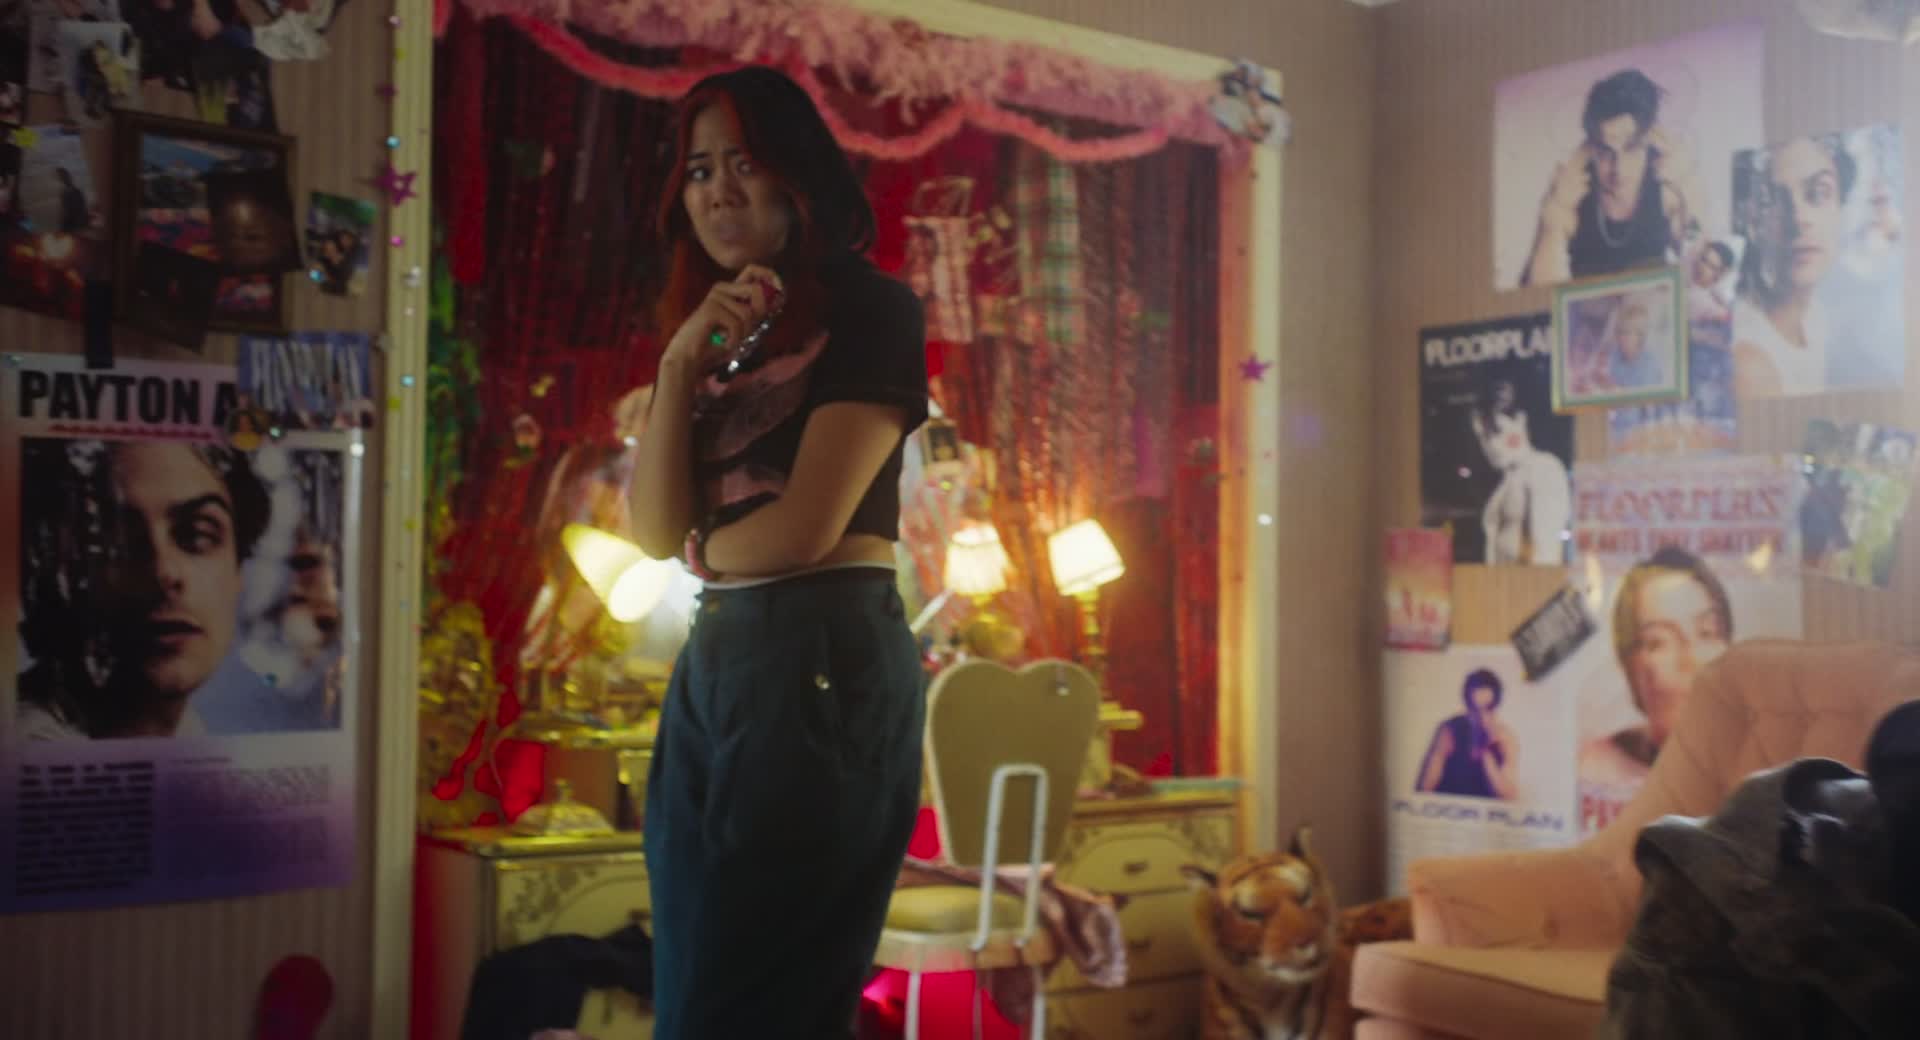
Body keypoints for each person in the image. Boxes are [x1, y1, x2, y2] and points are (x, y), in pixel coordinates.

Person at [626, 65, 929, 1039]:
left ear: (797, 176)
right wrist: (679, 362)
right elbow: (650, 529)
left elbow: (804, 529)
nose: (718, 191)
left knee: (762, 1004)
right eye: (699, 169)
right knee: (691, 997)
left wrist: (699, 550)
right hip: (719, 654)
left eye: (743, 164)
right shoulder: (717, 334)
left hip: (819, 651)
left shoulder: (873, 309)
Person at [14, 440, 312, 739]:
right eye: (119, 541)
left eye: (197, 535)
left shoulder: (187, 734)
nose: (163, 572)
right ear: (62, 567)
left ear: (238, 568)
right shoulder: (26, 740)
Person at [1521, 68, 1701, 287]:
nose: (1619, 171)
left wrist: (1687, 188)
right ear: (1591, 147)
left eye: (1631, 149)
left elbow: (1702, 273)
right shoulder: (1571, 187)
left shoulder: (1667, 183)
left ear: (1650, 140)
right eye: (1606, 152)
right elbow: (1538, 291)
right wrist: (1557, 214)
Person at [1579, 547, 1733, 790]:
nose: (1692, 659)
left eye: (1707, 632)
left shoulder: (1763, 763)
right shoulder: (1594, 768)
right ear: (1629, 667)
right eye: (1658, 642)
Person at [1730, 135, 1851, 398]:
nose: (1799, 219)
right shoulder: (1750, 364)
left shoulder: (1816, 316)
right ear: (1752, 224)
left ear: (1841, 208)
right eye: (1774, 200)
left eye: (1818, 193)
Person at [1471, 380, 1570, 565]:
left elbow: (1545, 550)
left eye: (1497, 432)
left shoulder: (1543, 468)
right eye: (1484, 437)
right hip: (1501, 578)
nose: (1491, 445)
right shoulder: (1505, 480)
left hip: (1527, 579)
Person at [1414, 669, 1519, 800]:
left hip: (1484, 811)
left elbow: (1508, 797)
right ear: (1467, 706)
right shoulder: (1449, 730)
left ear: (1496, 706)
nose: (1481, 717)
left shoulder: (1505, 739)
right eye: (1475, 709)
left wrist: (1486, 754)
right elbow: (1424, 789)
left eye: (1488, 708)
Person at [1602, 294, 1666, 390]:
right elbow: (1608, 378)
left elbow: (1644, 395)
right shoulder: (1616, 353)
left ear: (1640, 336)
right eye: (1619, 332)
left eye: (1627, 333)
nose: (1621, 337)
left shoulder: (1649, 365)